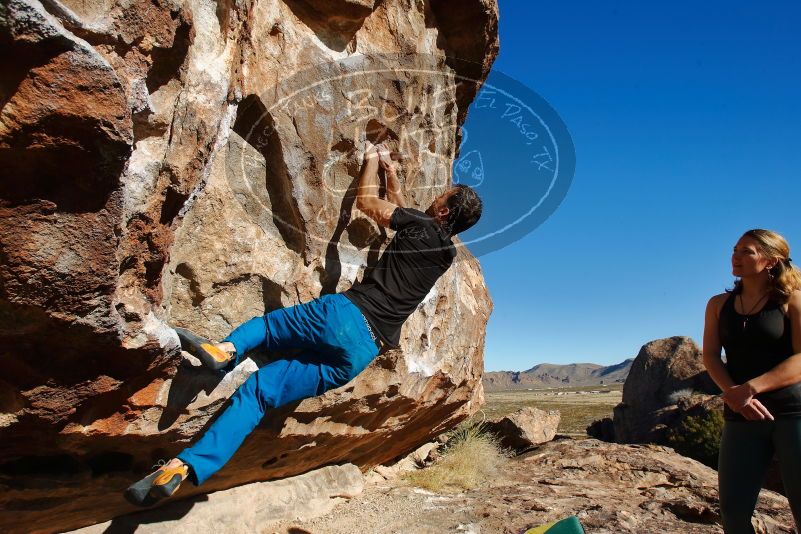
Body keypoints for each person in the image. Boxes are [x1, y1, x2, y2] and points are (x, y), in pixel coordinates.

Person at [124, 140, 483, 506]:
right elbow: (406, 215)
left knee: (266, 328)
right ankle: (183, 467)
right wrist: (392, 174)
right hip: (361, 353)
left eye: (441, 196)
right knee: (261, 392)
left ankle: (223, 351)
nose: (436, 197)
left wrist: (372, 163)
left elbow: (370, 205)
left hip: (343, 317)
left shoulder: (420, 223)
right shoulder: (446, 255)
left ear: (443, 212)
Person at [702, 229, 801, 533]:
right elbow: (710, 356)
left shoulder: (791, 301)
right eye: (735, 249)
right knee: (733, 511)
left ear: (771, 261)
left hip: (791, 414)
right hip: (741, 416)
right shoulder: (719, 304)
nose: (736, 256)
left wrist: (750, 388)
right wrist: (733, 393)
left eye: (748, 251)